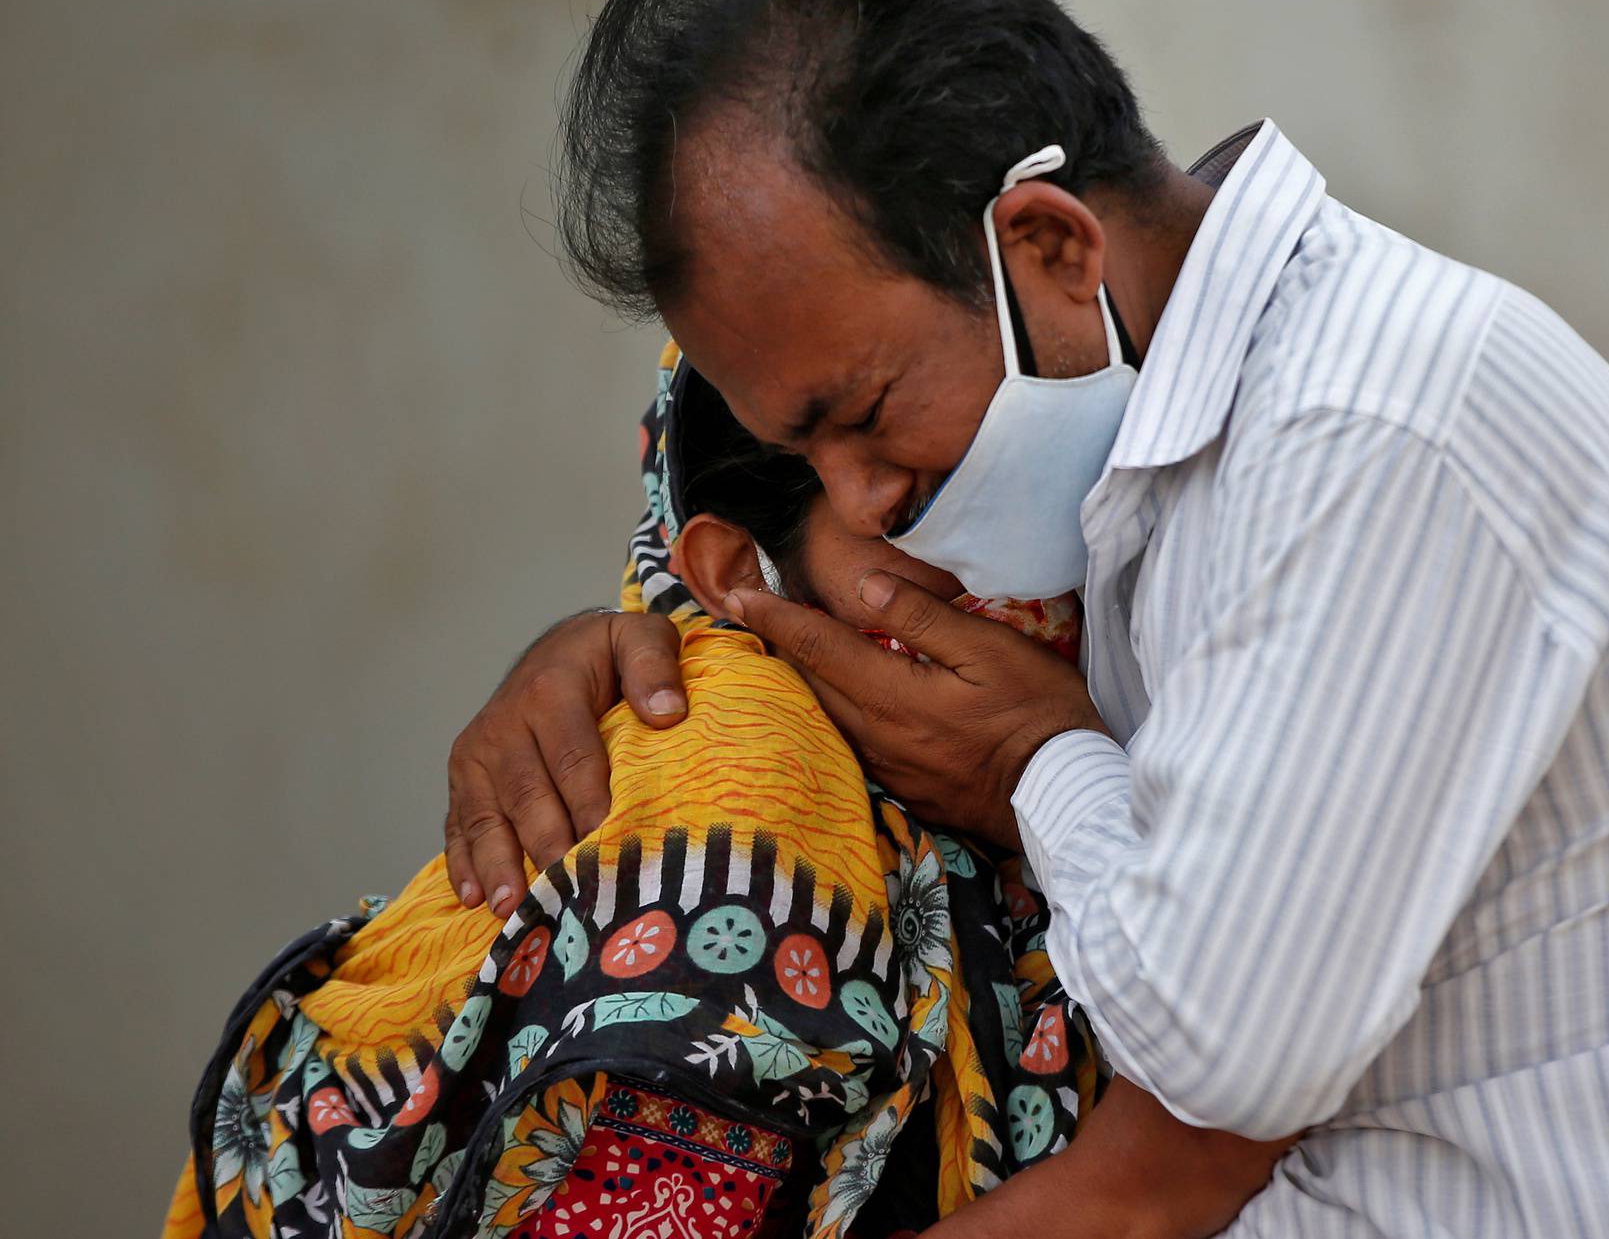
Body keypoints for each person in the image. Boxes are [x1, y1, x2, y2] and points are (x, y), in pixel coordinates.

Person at [445, 0, 1609, 1236]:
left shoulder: (1372, 432)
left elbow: (1211, 1063)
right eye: (800, 460)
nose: (869, 497)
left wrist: (1037, 763)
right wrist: (615, 666)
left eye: (868, 414)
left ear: (1054, 250)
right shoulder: (1133, 486)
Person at [164, 344, 1286, 1239]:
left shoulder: (1021, 751)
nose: (1022, 559)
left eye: (1037, 478)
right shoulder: (740, 829)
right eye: (917, 508)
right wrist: (1141, 1186)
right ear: (734, 572)